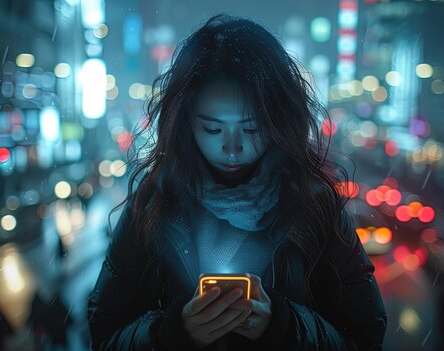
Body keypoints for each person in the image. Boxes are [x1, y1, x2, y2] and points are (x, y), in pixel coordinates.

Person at [88, 14, 387, 350]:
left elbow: (365, 336)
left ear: (278, 121)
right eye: (213, 129)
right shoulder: (153, 202)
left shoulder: (315, 205)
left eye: (251, 128)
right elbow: (105, 335)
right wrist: (171, 332)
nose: (232, 147)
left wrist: (284, 326)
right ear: (186, 123)